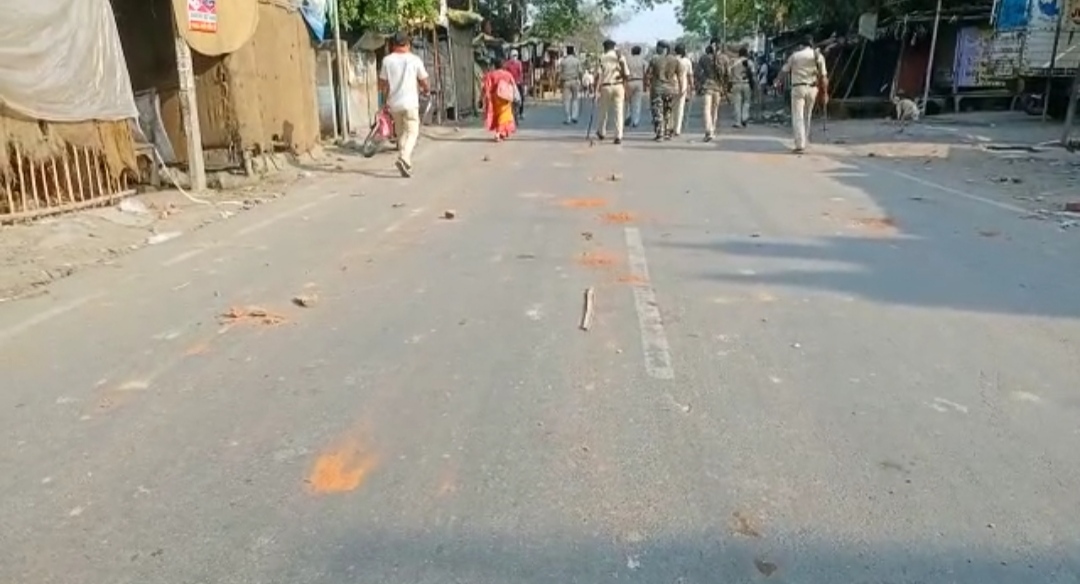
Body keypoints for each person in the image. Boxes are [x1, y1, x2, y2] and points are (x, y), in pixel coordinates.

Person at [378, 31, 430, 178]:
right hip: (411, 103)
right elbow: (424, 80)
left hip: (394, 104)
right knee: (412, 132)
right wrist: (426, 89)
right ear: (407, 44)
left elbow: (381, 83)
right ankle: (404, 157)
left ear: (393, 45)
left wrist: (384, 95)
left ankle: (406, 162)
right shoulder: (414, 60)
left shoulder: (387, 61)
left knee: (401, 134)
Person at [777, 35, 828, 153]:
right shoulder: (818, 56)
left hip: (798, 88)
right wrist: (825, 93)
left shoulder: (795, 56)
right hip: (812, 89)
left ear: (801, 45)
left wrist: (777, 81)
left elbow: (784, 71)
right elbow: (824, 77)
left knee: (798, 116)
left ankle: (800, 144)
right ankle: (805, 140)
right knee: (807, 115)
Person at [644, 40, 682, 141]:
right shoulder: (674, 60)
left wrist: (646, 85)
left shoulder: (654, 59)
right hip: (670, 89)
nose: (657, 49)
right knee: (668, 111)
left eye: (658, 47)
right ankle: (667, 132)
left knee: (657, 111)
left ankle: (659, 133)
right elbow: (680, 76)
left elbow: (648, 74)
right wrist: (681, 89)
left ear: (662, 48)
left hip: (657, 88)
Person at [594, 39, 630, 144]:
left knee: (603, 111)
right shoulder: (620, 57)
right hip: (618, 86)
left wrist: (596, 90)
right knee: (619, 111)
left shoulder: (602, 58)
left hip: (606, 86)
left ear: (605, 47)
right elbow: (626, 74)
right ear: (614, 47)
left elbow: (599, 75)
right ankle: (618, 135)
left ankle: (601, 132)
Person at [481, 59, 518, 142]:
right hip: (505, 98)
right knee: (504, 115)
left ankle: (503, 133)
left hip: (495, 98)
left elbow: (486, 87)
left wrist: (485, 97)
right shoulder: (508, 74)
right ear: (503, 66)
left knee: (498, 115)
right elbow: (513, 85)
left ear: (495, 66)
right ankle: (498, 133)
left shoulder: (490, 75)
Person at [696, 45, 725, 141]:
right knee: (715, 110)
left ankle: (709, 130)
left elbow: (697, 72)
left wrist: (702, 81)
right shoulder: (723, 58)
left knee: (707, 109)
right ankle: (713, 129)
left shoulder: (703, 58)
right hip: (718, 87)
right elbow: (727, 73)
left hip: (707, 87)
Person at [729, 46, 756, 128]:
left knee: (737, 103)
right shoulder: (750, 62)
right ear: (746, 54)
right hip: (746, 84)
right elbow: (753, 74)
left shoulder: (734, 62)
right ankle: (744, 117)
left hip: (736, 84)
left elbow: (729, 73)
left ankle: (738, 122)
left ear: (739, 54)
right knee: (746, 102)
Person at [672, 43, 694, 137]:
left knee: (671, 107)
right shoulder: (687, 61)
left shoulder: (672, 60)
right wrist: (692, 86)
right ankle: (677, 129)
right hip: (683, 85)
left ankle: (670, 127)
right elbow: (690, 75)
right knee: (680, 108)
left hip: (671, 85)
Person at [624, 46, 647, 128]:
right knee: (637, 102)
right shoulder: (643, 61)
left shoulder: (627, 60)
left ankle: (627, 116)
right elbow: (645, 73)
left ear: (632, 52)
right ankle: (635, 121)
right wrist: (645, 84)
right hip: (639, 81)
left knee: (627, 101)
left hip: (629, 81)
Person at [559, 46, 583, 124]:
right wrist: (581, 81)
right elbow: (580, 72)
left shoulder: (563, 61)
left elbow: (560, 72)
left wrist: (560, 82)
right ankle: (574, 116)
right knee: (575, 99)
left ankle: (568, 117)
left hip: (566, 81)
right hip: (575, 81)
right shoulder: (577, 61)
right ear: (573, 52)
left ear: (567, 52)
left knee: (566, 100)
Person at [505, 49, 526, 120]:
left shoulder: (519, 63)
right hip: (510, 83)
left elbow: (521, 73)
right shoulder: (507, 64)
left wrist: (520, 81)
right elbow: (506, 74)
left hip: (517, 83)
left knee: (521, 97)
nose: (515, 57)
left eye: (516, 55)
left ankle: (521, 113)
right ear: (510, 56)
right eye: (513, 55)